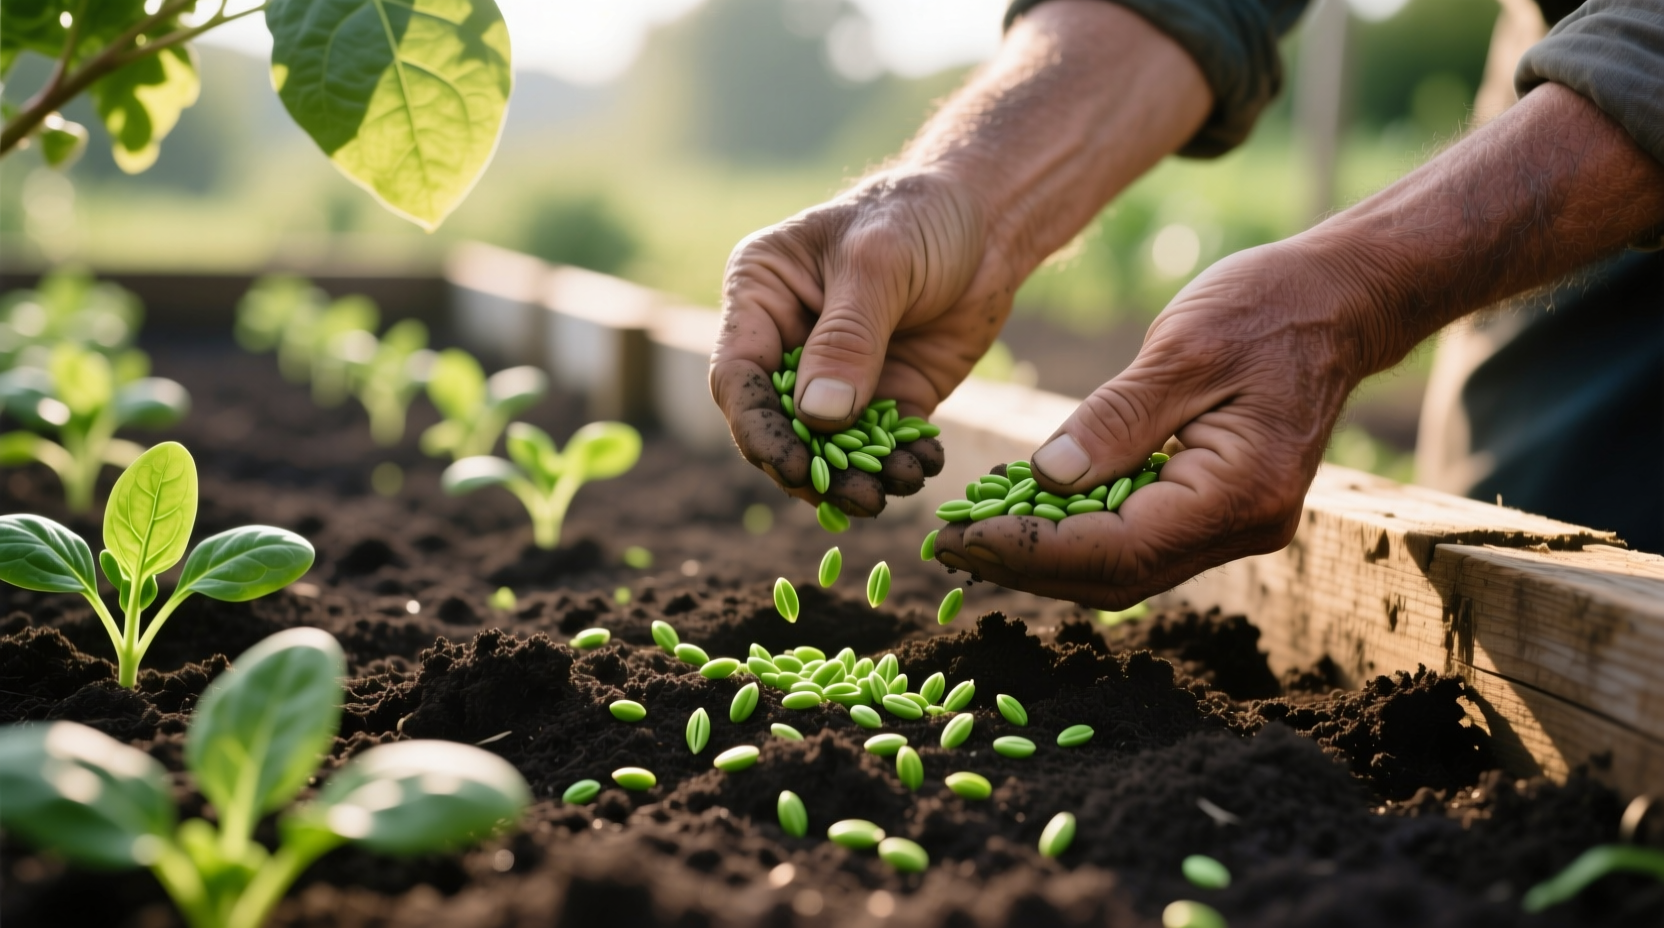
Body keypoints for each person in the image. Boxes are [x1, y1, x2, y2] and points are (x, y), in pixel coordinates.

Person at [709, 0, 1664, 608]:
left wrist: (1354, 289)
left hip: (1618, 97)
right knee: (1527, 591)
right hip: (1569, 83)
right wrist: (971, 190)